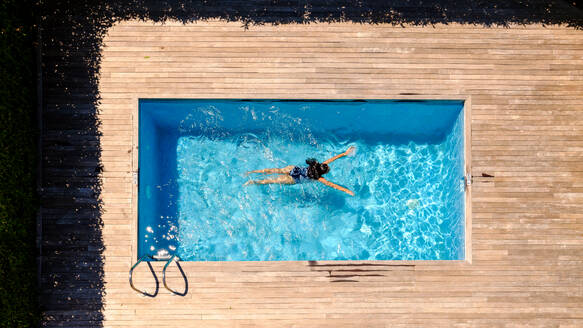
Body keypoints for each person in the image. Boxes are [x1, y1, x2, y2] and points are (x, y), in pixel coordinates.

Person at [244, 146, 355, 196]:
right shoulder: (319, 178)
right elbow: (332, 185)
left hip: (294, 169)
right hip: (294, 179)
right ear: (323, 172)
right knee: (272, 181)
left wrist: (344, 153)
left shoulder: (317, 164)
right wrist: (347, 191)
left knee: (274, 170)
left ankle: (251, 172)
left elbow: (332, 159)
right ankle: (253, 182)